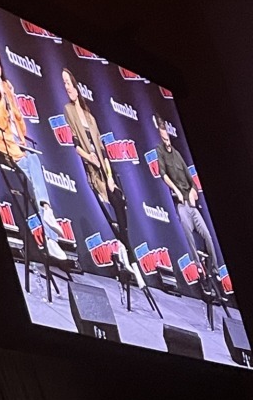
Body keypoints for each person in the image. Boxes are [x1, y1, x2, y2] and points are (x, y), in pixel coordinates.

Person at [0, 43, 67, 260]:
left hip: (20, 145)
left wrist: (13, 100)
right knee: (34, 164)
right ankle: (49, 223)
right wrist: (3, 95)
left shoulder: (7, 84)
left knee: (34, 165)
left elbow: (21, 125)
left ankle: (48, 225)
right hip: (6, 145)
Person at [60, 67, 142, 286]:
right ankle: (130, 257)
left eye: (69, 82)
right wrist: (90, 158)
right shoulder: (68, 110)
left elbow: (103, 150)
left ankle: (127, 253)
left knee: (119, 200)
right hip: (91, 170)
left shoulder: (90, 116)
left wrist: (109, 174)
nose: (67, 87)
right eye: (64, 83)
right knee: (111, 206)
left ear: (76, 86)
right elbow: (76, 144)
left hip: (105, 170)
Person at [155, 113, 219, 278]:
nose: (166, 142)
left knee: (208, 236)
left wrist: (193, 191)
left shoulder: (178, 155)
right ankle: (198, 266)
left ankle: (214, 269)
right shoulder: (159, 151)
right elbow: (163, 174)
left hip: (191, 204)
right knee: (188, 234)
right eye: (163, 138)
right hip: (181, 204)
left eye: (167, 138)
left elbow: (192, 182)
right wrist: (176, 191)